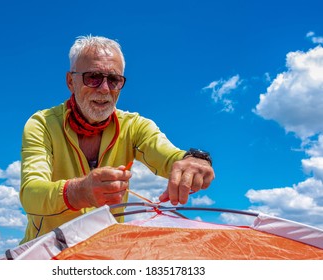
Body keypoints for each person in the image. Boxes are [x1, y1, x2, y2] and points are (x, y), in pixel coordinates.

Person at [19, 35, 215, 244]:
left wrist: (194, 161)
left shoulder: (135, 126)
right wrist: (79, 191)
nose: (104, 88)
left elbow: (170, 156)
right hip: (46, 253)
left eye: (114, 80)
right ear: (70, 81)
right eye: (93, 77)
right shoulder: (42, 124)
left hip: (105, 255)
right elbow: (31, 194)